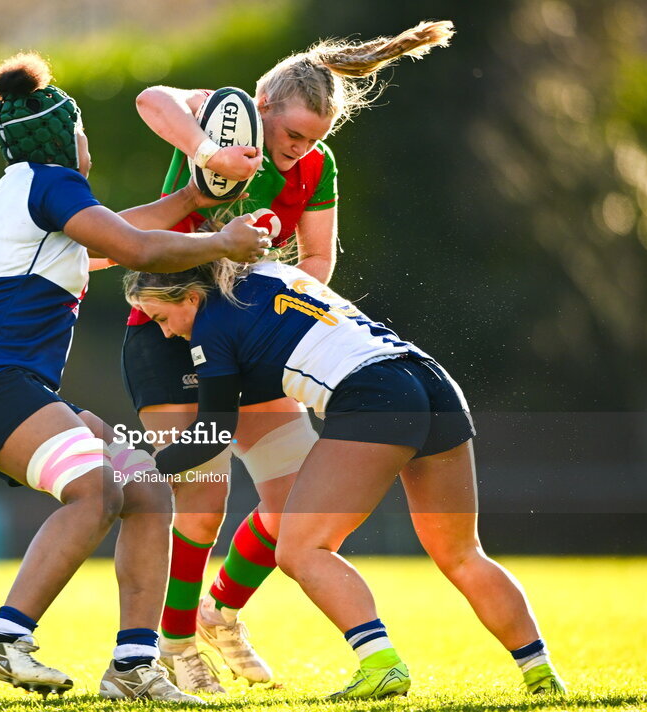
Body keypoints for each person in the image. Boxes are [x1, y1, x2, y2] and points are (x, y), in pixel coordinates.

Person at [0, 53, 270, 703]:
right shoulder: (53, 183)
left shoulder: (26, 187)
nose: (88, 142)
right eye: (82, 131)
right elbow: (137, 251)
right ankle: (4, 641)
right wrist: (221, 243)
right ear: (66, 138)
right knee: (96, 489)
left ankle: (135, 667)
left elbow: (115, 235)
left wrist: (194, 199)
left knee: (145, 493)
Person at [122, 20, 455, 691]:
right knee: (202, 504)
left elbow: (320, 255)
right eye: (294, 135)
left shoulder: (316, 164)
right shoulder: (225, 116)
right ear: (262, 107)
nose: (302, 151)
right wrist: (207, 152)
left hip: (251, 341)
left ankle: (221, 611)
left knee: (297, 502)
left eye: (315, 141)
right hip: (170, 332)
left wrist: (283, 316)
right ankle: (176, 647)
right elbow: (149, 98)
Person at [124, 259, 568, 700]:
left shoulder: (210, 328)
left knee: (299, 549)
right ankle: (541, 673)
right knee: (462, 552)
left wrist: (139, 467)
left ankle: (381, 664)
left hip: (375, 393)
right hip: (430, 378)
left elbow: (213, 433)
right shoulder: (267, 272)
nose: (165, 332)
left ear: (193, 297)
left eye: (162, 318)